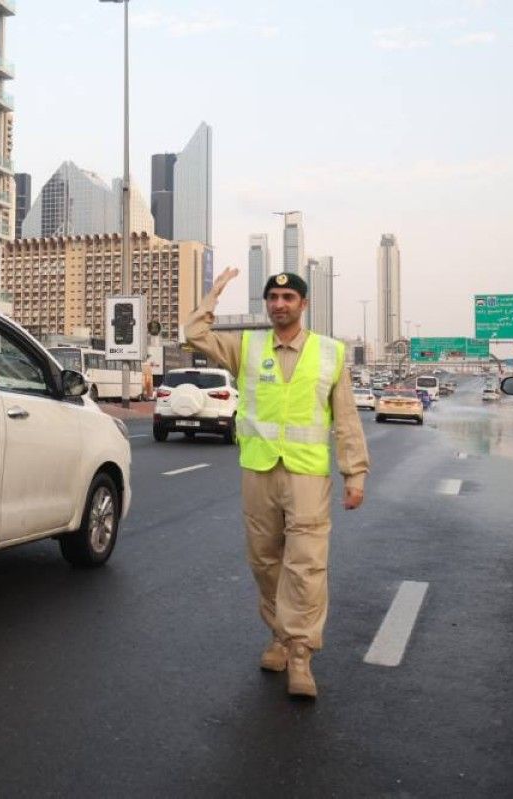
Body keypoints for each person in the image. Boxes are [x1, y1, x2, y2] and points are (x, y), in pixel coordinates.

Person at [186, 267, 370, 699]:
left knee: (306, 564)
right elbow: (194, 333)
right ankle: (279, 637)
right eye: (273, 297)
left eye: (288, 298)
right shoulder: (246, 347)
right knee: (265, 562)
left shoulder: (330, 352)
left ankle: (301, 653)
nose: (279, 304)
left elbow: (346, 418)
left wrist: (355, 472)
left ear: (303, 304)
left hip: (307, 475)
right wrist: (213, 294)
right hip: (259, 471)